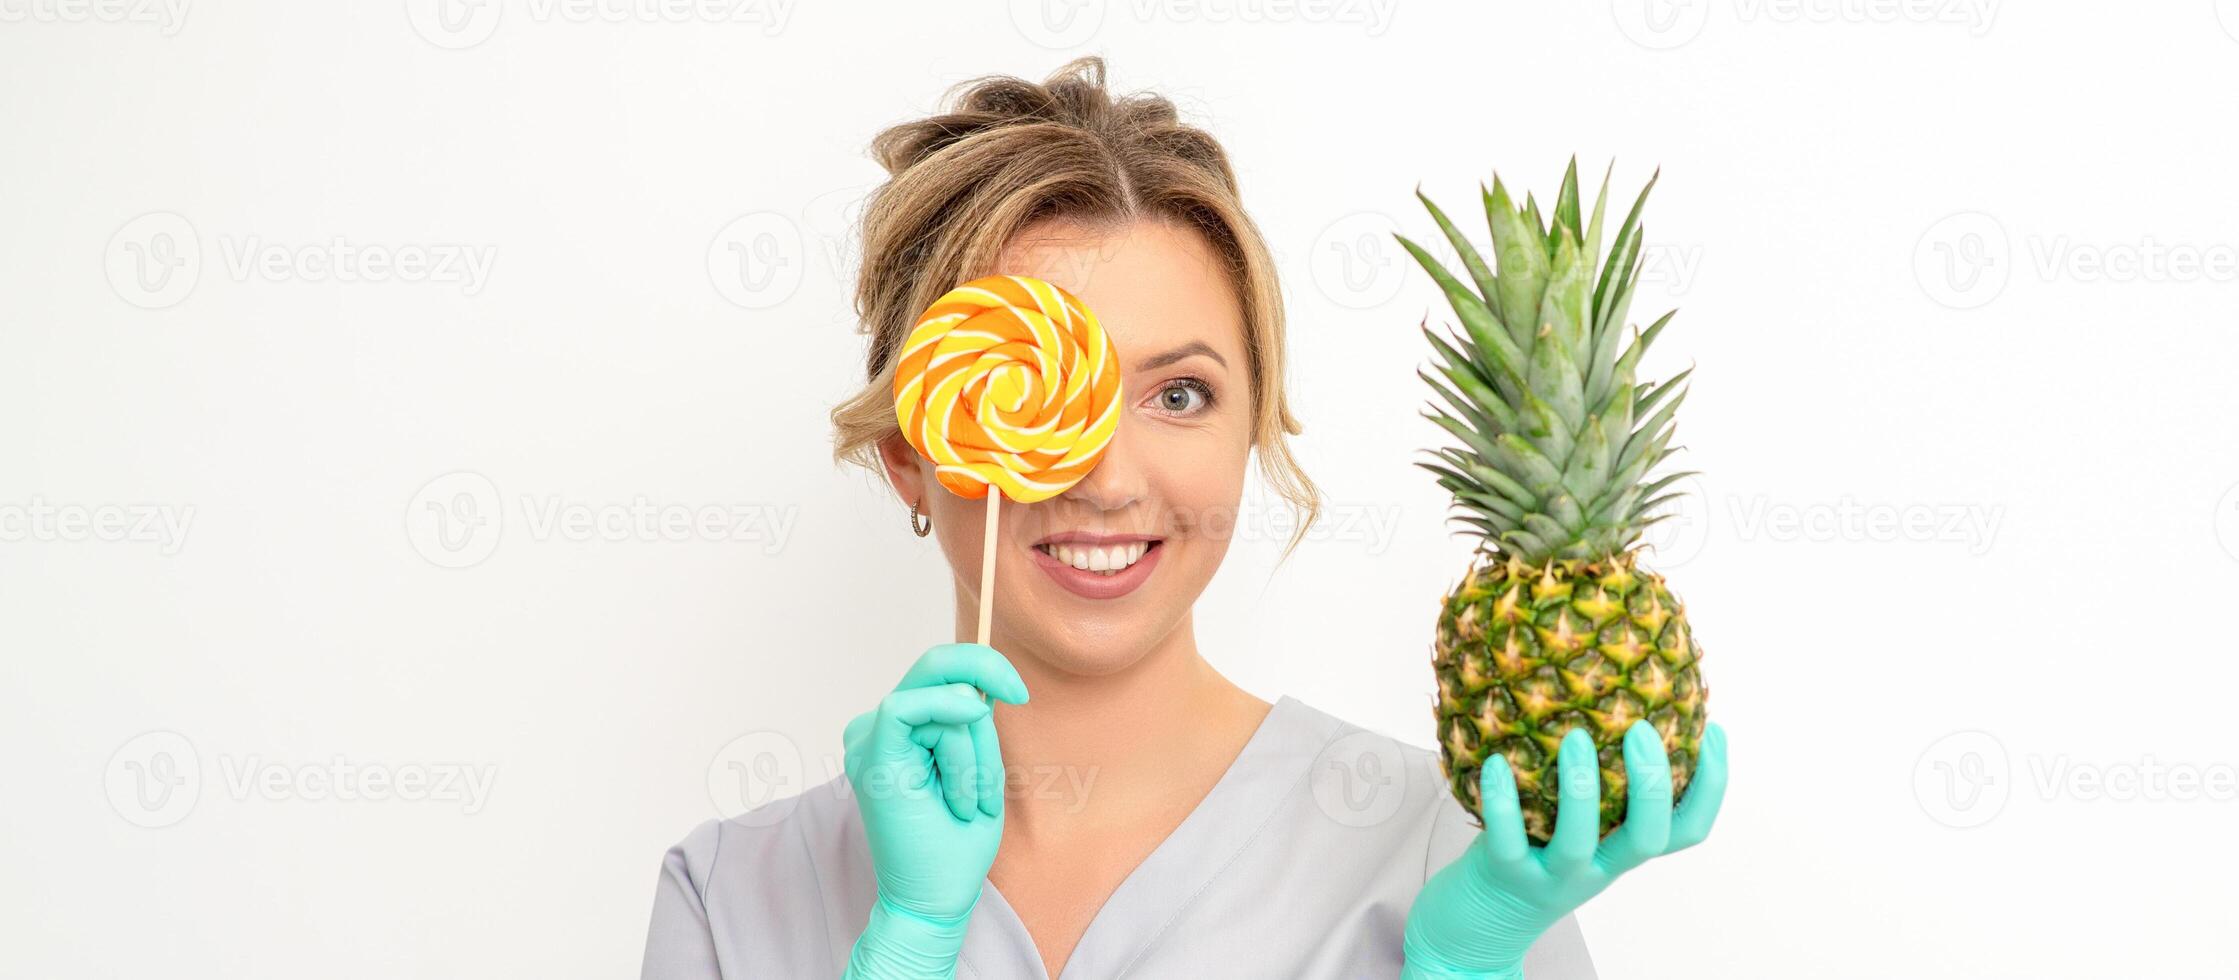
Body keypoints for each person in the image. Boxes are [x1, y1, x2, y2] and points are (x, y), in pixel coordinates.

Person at [641, 57, 1725, 980]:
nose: (1107, 478)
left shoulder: (1455, 850)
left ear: (1254, 426)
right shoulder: (731, 893)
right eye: (1024, 391)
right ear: (910, 458)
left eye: (1178, 394)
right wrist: (910, 943)